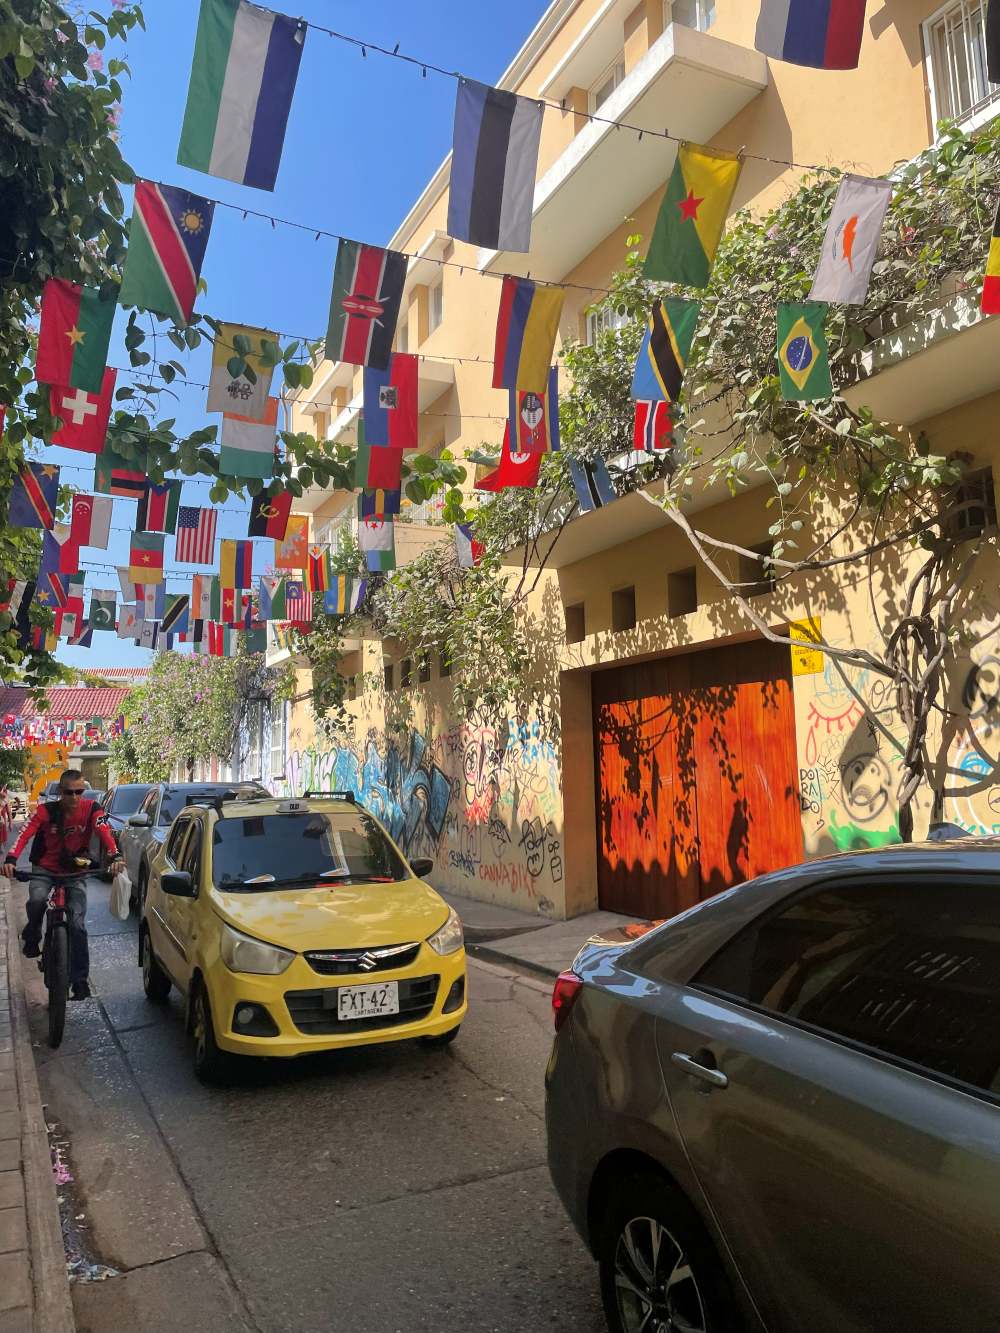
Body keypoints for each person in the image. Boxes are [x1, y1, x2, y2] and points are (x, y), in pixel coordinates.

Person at [1, 770, 123, 1001]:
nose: (75, 797)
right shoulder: (45, 811)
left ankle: (79, 980)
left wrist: (115, 855)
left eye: (79, 791)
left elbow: (104, 831)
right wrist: (11, 859)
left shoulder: (93, 809)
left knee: (77, 924)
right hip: (45, 869)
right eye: (69, 792)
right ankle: (33, 935)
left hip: (76, 872)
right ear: (60, 792)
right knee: (36, 900)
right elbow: (24, 834)